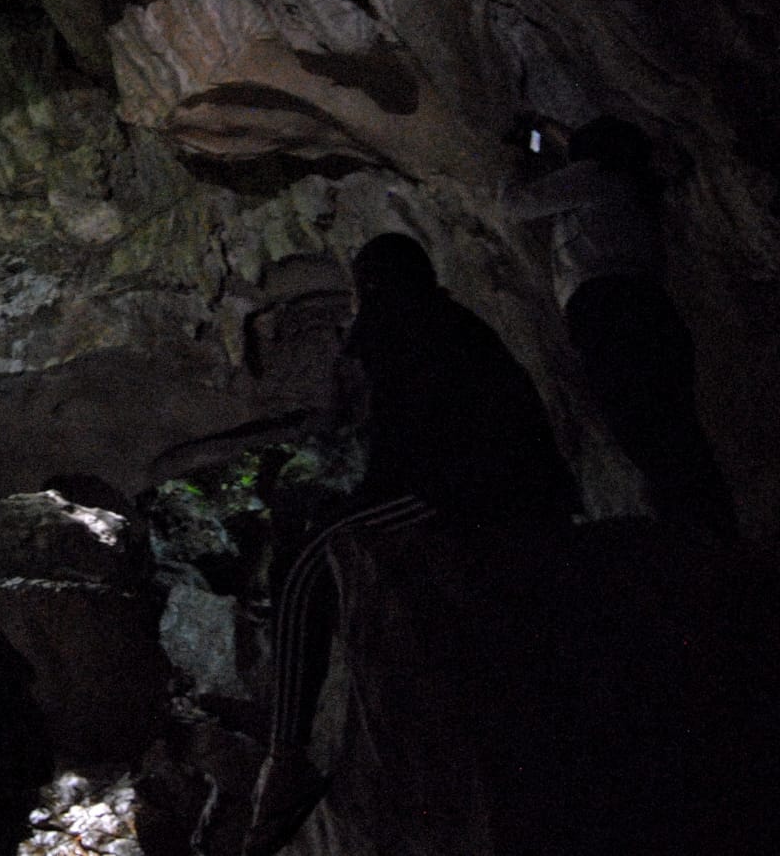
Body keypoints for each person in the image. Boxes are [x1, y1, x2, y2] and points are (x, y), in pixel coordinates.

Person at [243, 233, 577, 856]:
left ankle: (285, 759)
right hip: (512, 491)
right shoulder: (451, 320)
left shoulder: (395, 323)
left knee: (310, 567)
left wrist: (354, 508)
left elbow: (400, 446)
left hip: (475, 496)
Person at [501, 116, 736, 536]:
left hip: (612, 315)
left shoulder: (596, 176)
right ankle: (712, 531)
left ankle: (697, 539)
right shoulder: (628, 182)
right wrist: (547, 128)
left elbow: (516, 205)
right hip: (643, 311)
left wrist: (516, 156)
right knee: (670, 429)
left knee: (643, 430)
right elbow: (584, 146)